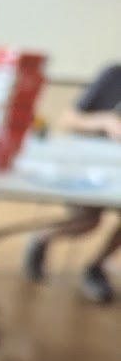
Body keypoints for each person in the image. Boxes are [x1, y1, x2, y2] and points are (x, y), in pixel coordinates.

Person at [23, 63, 121, 304]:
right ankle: (43, 238)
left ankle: (96, 267)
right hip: (89, 167)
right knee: (88, 221)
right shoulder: (113, 76)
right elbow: (68, 118)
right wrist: (104, 122)